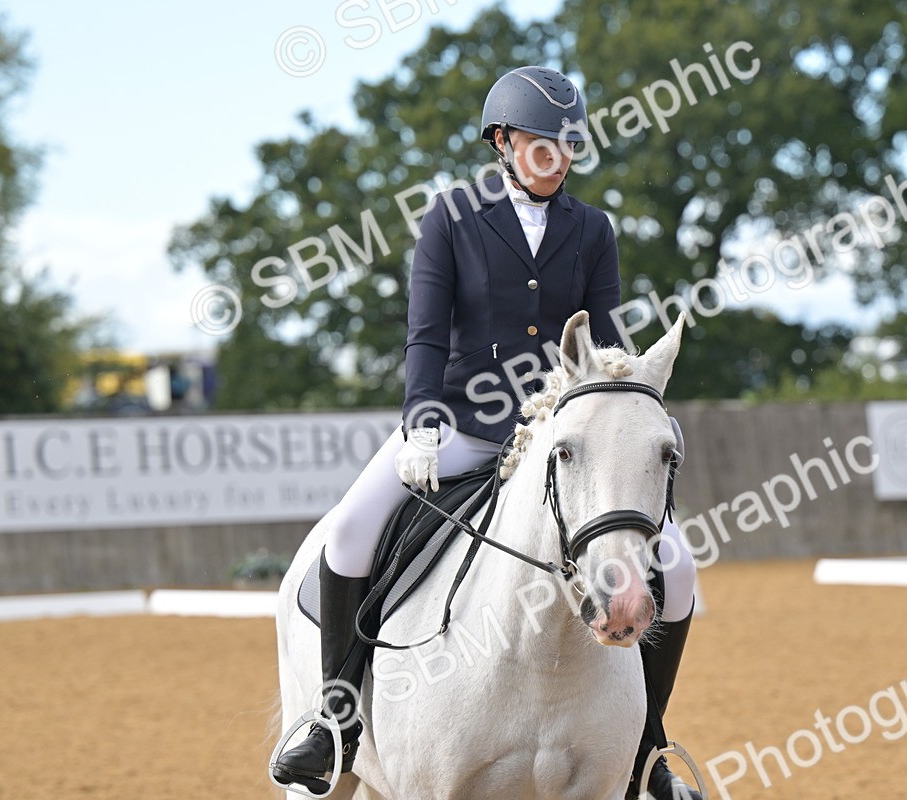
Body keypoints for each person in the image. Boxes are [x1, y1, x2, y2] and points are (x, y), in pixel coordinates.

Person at [271, 66, 701, 800]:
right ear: (502, 141)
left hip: (560, 439)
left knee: (681, 570)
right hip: (463, 427)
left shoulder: (592, 229)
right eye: (542, 143)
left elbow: (601, 347)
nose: (557, 157)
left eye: (568, 144)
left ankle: (647, 752)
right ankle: (334, 719)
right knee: (347, 534)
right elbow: (425, 335)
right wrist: (421, 420)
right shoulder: (451, 218)